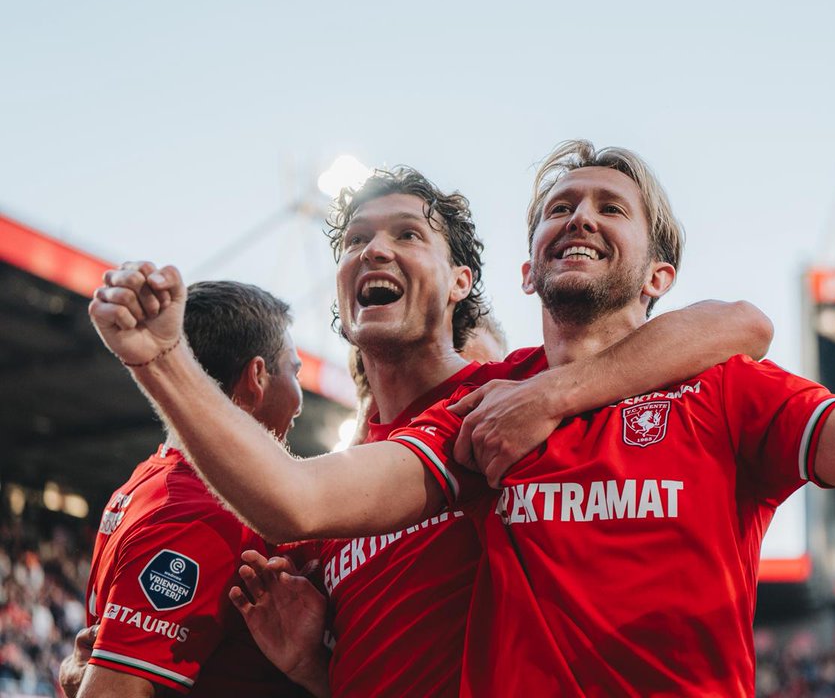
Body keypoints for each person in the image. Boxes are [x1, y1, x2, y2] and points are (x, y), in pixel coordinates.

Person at [91, 140, 835, 694]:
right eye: (561, 203)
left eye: (612, 205)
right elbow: (300, 497)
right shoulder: (478, 412)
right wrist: (163, 359)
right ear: (525, 269)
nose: (582, 214)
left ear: (658, 271)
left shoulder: (728, 390)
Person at [94, 165, 772, 697]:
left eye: (407, 235)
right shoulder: (351, 475)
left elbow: (738, 324)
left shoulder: (509, 391)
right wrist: (307, 666)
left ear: (460, 282)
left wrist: (558, 392)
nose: (374, 250)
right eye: (356, 239)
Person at [64, 281, 306, 698]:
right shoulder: (201, 509)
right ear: (257, 377)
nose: (300, 400)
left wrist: (75, 675)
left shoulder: (150, 480)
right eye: (294, 371)